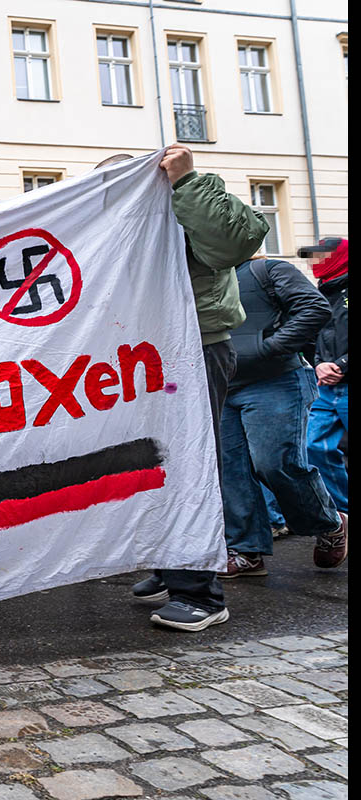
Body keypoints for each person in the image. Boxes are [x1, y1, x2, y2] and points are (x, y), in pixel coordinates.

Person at [117, 145, 270, 631]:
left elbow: (233, 243)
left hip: (195, 346)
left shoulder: (192, 198)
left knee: (185, 465)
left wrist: (186, 181)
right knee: (151, 462)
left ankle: (200, 592)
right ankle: (171, 568)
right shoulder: (127, 223)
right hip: (138, 356)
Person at [218, 255, 343, 577]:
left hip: (275, 380)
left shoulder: (268, 269)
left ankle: (329, 524)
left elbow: (314, 309)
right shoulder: (194, 276)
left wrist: (267, 348)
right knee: (231, 472)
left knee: (275, 463)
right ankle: (246, 550)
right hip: (222, 386)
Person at [301, 237, 349, 561]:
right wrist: (318, 363)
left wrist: (343, 366)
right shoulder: (318, 293)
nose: (315, 262)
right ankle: (344, 514)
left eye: (322, 256)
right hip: (325, 388)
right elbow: (306, 336)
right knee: (311, 447)